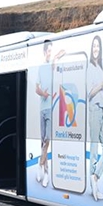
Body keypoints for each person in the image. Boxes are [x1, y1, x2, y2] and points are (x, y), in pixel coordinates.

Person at [35, 40, 65, 188]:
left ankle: (40, 165)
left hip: (52, 109)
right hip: (43, 107)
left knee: (47, 139)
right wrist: (44, 94)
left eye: (51, 51)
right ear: (44, 52)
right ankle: (46, 173)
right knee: (43, 142)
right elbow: (36, 89)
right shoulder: (41, 68)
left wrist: (56, 57)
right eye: (48, 51)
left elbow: (61, 55)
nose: (50, 53)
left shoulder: (53, 65)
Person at [87, 35, 103, 201]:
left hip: (101, 109)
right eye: (94, 46)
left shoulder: (99, 66)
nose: (96, 49)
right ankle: (94, 185)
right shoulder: (90, 68)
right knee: (95, 149)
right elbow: (89, 93)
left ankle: (95, 176)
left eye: (98, 46)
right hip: (94, 110)